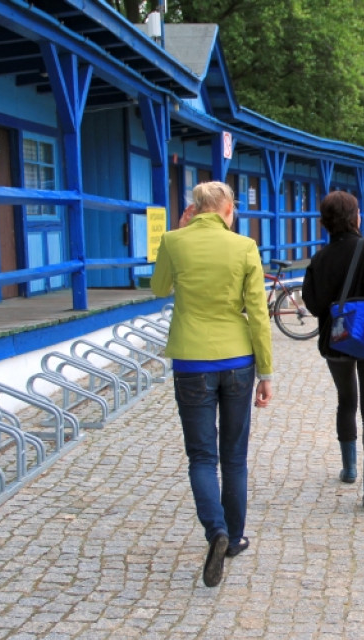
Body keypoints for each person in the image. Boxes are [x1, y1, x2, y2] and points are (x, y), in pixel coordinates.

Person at [150, 181, 273, 588]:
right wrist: (266, 373)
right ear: (227, 209)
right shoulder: (244, 247)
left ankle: (215, 531)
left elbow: (157, 288)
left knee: (202, 457)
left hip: (191, 361)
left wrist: (178, 234)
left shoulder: (173, 240)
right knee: (234, 457)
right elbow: (257, 312)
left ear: (194, 209)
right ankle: (234, 537)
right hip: (238, 361)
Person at [302, 191, 364, 507]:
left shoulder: (320, 258)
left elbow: (313, 303)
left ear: (326, 223)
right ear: (355, 218)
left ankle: (348, 469)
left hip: (336, 342)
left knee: (346, 400)